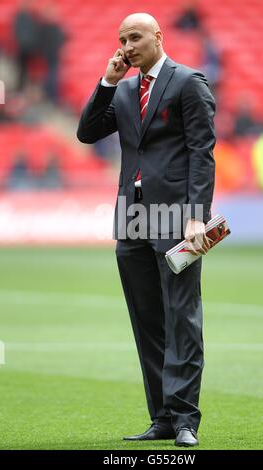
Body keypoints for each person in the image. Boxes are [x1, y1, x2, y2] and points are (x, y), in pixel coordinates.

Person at [77, 13, 215, 447]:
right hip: (132, 218)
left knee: (182, 318)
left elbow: (202, 152)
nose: (127, 45)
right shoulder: (122, 92)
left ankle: (186, 419)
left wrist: (197, 215)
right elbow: (86, 133)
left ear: (158, 36)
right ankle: (162, 418)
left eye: (135, 37)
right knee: (147, 320)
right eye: (121, 39)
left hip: (176, 216)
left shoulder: (187, 82)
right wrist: (105, 82)